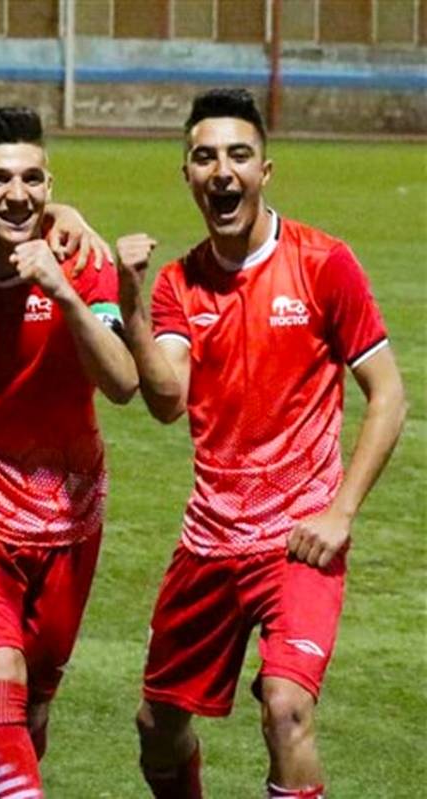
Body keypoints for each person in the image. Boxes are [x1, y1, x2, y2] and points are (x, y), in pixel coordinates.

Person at [118, 88, 406, 799]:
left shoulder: (323, 263)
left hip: (297, 540)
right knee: (157, 725)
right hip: (210, 540)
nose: (222, 172)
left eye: (238, 155)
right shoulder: (179, 284)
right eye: (205, 157)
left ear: (265, 170)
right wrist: (131, 304)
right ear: (187, 174)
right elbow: (166, 401)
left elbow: (389, 395)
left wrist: (339, 513)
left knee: (286, 708)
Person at [0, 106, 137, 799]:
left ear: (50, 185)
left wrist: (65, 294)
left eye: (32, 179)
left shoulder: (80, 259)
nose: (16, 194)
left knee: (32, 711)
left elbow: (123, 382)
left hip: (70, 518)